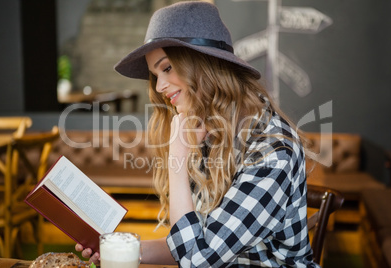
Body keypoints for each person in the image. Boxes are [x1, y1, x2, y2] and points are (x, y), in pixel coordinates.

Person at [76, 1, 319, 267]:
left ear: (204, 64)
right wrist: (118, 248)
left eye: (167, 68)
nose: (159, 86)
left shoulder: (272, 150)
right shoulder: (208, 133)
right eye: (155, 74)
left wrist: (177, 160)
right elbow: (190, 243)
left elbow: (197, 261)